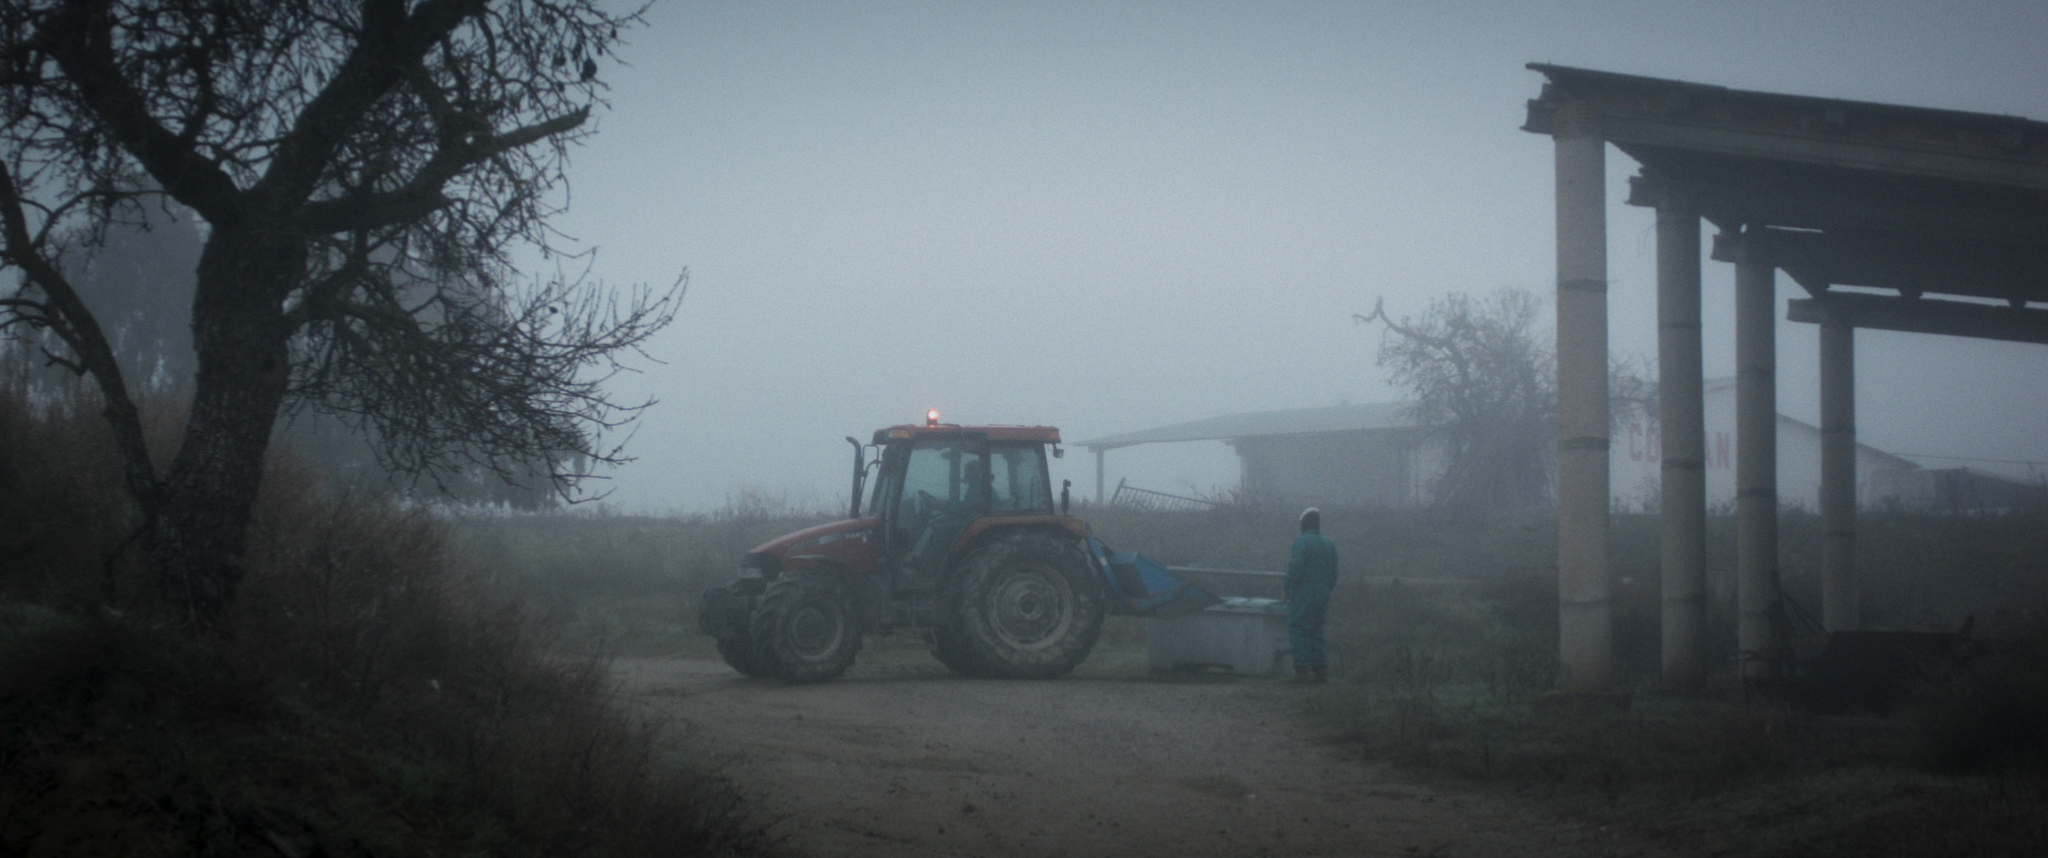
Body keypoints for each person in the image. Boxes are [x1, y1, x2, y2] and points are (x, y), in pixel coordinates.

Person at [1284, 507, 1338, 684]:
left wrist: (1287, 587)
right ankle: (1321, 672)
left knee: (1299, 628)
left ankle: (1301, 672)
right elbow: (1334, 573)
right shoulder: (1329, 545)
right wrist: (1327, 590)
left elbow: (1296, 566)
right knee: (1317, 630)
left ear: (1305, 523)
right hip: (1323, 592)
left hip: (1304, 591)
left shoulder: (1302, 542)